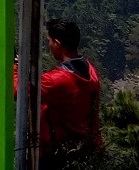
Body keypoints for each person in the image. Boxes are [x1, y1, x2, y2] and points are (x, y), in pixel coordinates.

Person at [15, 18, 102, 169]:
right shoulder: (90, 71)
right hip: (84, 151)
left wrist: (16, 68)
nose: (48, 45)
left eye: (49, 41)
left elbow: (20, 92)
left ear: (57, 43)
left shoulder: (59, 80)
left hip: (55, 157)